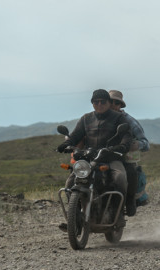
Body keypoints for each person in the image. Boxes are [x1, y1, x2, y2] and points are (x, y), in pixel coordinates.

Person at [56, 89, 132, 224]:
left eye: (103, 101)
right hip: (89, 159)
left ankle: (118, 214)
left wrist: (120, 147)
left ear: (108, 102)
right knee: (70, 183)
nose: (99, 104)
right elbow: (75, 136)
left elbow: (126, 137)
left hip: (111, 158)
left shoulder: (119, 118)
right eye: (96, 102)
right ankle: (75, 219)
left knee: (119, 178)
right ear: (92, 103)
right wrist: (65, 144)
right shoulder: (86, 118)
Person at [109, 90, 149, 213]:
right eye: (110, 101)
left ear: (121, 105)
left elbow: (145, 143)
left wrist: (137, 145)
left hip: (123, 156)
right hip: (101, 155)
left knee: (130, 172)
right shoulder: (96, 117)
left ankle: (130, 201)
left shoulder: (129, 121)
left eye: (116, 103)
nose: (113, 105)